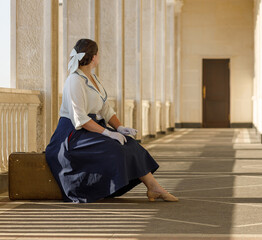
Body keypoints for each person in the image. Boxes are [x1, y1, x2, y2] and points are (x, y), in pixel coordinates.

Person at [45, 38, 178, 203]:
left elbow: (106, 109)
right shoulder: (74, 80)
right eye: (98, 54)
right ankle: (99, 188)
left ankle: (153, 187)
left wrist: (120, 128)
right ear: (94, 57)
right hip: (73, 135)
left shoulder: (95, 79)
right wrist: (108, 133)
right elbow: (80, 119)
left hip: (91, 129)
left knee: (129, 143)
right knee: (115, 148)